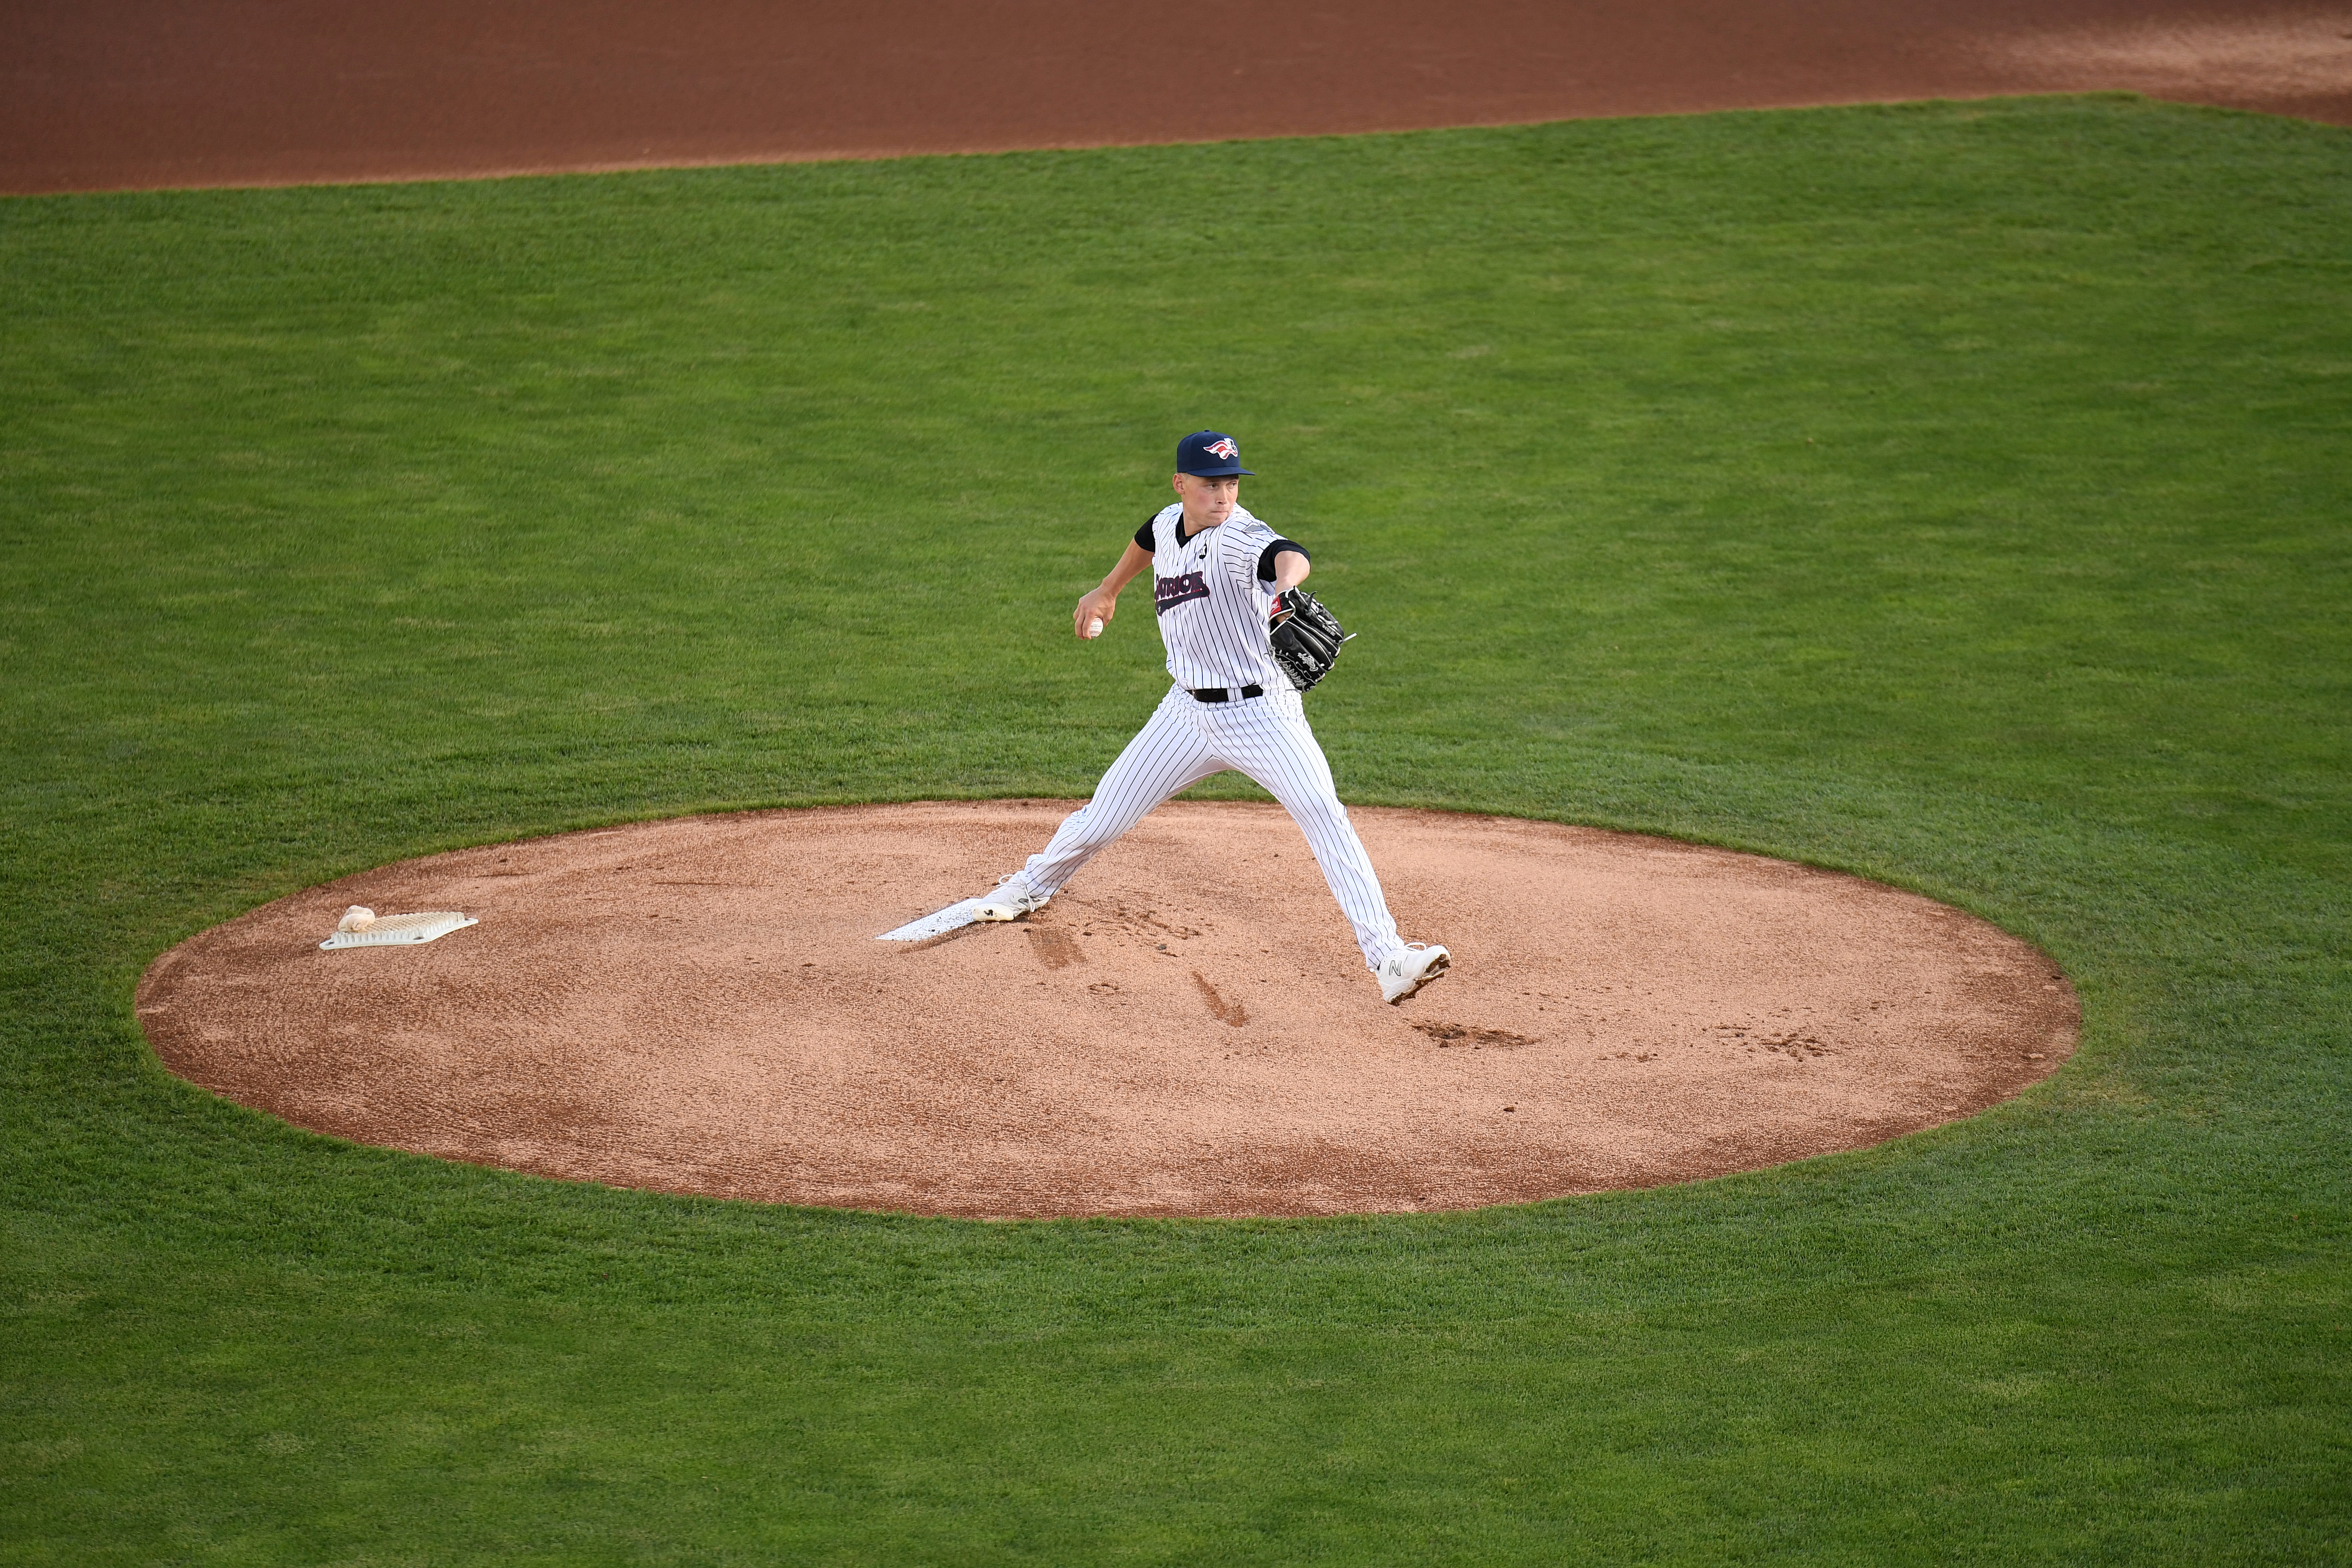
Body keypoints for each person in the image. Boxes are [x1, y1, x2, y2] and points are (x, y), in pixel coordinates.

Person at [972, 430, 1450, 1004]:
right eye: (1209, 484)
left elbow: (1287, 556)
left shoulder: (1240, 538)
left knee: (1325, 813)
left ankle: (1390, 958)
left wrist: (1282, 592)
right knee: (1102, 817)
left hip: (1262, 715)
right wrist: (1107, 590)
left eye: (1230, 483)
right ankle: (1032, 886)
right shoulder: (1170, 522)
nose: (1222, 495)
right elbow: (1150, 535)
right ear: (1181, 486)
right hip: (1185, 714)